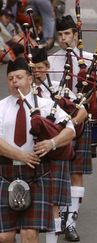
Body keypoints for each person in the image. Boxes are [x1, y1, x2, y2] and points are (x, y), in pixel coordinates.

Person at [48, 14, 97, 241]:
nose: (64, 39)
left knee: (76, 171)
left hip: (80, 119)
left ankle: (71, 221)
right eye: (60, 35)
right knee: (59, 169)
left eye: (67, 34)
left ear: (75, 35)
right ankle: (60, 214)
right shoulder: (52, 61)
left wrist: (87, 99)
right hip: (56, 123)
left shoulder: (89, 58)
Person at [0, 57, 75, 243]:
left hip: (36, 174)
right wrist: (20, 155)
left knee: (29, 234)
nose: (14, 82)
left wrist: (52, 143)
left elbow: (70, 129)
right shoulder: (1, 107)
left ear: (30, 79)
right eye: (10, 78)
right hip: (5, 172)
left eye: (18, 77)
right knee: (4, 236)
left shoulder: (46, 105)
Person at [30, 46, 88, 243]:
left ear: (46, 67)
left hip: (56, 147)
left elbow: (82, 111)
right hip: (32, 150)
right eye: (32, 69)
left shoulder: (59, 88)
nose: (36, 72)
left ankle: (69, 222)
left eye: (39, 68)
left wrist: (71, 125)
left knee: (54, 199)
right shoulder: (26, 92)